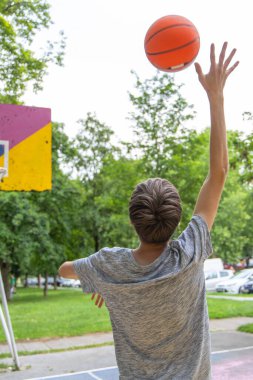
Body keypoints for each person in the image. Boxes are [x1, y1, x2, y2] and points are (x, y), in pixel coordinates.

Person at [59, 42, 239, 380]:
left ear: (133, 220)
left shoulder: (110, 265)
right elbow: (219, 174)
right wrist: (216, 96)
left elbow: (65, 269)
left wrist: (97, 280)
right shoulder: (189, 252)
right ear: (176, 221)